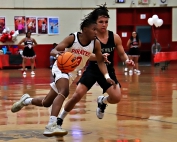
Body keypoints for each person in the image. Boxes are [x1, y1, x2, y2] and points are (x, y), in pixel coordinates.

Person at [11, 16, 115, 137]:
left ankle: (26, 100)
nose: (96, 32)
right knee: (64, 91)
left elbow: (97, 59)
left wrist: (106, 74)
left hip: (72, 73)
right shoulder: (73, 38)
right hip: (61, 68)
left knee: (47, 102)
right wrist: (57, 53)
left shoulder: (95, 43)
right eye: (94, 30)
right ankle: (51, 125)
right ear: (85, 29)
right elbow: (53, 50)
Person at [56, 4, 134, 129]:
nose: (104, 24)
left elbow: (122, 53)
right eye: (101, 22)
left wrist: (127, 60)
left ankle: (102, 101)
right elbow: (84, 52)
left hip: (108, 71)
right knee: (76, 96)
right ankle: (60, 118)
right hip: (92, 70)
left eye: (106, 22)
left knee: (116, 98)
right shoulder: (91, 37)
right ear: (95, 23)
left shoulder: (114, 37)